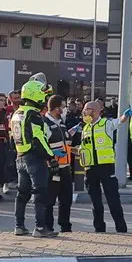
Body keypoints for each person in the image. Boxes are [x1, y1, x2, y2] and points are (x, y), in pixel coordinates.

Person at [10, 79, 59, 238]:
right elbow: (39, 139)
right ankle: (40, 227)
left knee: (22, 193)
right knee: (40, 193)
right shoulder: (33, 115)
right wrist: (51, 157)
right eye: (43, 95)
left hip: (20, 157)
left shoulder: (16, 114)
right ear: (35, 94)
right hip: (35, 159)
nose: (45, 99)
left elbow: (12, 139)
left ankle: (19, 226)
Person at [78, 100, 129, 233]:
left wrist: (125, 115)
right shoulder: (86, 128)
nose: (84, 112)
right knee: (95, 201)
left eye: (87, 109)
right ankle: (99, 229)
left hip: (106, 167)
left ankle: (121, 228)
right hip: (90, 169)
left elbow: (119, 122)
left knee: (113, 199)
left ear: (95, 111)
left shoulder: (106, 124)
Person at [42, 95, 75, 233]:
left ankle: (65, 226)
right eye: (62, 107)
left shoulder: (61, 123)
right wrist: (53, 154)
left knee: (66, 199)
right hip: (52, 168)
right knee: (49, 200)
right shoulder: (45, 124)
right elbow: (42, 145)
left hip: (65, 167)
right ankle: (47, 227)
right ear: (56, 108)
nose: (64, 109)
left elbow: (65, 142)